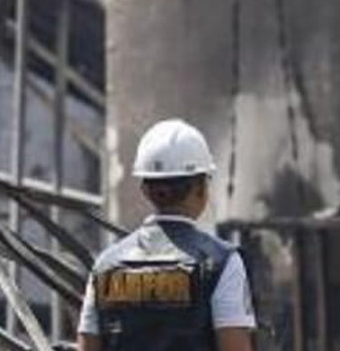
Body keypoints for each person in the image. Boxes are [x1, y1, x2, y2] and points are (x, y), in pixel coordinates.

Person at [77, 119, 256, 351]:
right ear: (201, 188)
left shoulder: (105, 266)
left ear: (145, 190)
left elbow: (88, 346)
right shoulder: (222, 263)